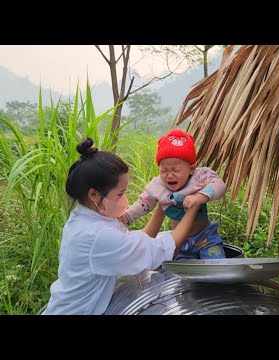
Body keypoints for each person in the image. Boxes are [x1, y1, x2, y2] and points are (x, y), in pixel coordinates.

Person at [43, 138, 201, 315]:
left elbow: (140, 243)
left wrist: (163, 203)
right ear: (94, 195)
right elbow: (163, 250)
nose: (125, 200)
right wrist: (194, 206)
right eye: (120, 194)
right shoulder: (96, 235)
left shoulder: (87, 218)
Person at [120, 129, 227, 260]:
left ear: (191, 169)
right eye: (164, 170)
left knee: (216, 265)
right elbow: (143, 203)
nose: (169, 175)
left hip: (205, 237)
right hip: (179, 241)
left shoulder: (200, 176)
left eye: (176, 170)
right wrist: (127, 216)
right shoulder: (158, 186)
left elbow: (220, 185)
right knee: (181, 274)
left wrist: (200, 197)